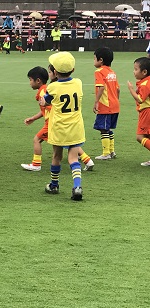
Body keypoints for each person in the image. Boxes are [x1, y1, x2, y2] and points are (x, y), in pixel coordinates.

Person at [22, 66, 94, 172]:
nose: (29, 83)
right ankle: (87, 160)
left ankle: (36, 164)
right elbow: (45, 110)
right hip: (59, 122)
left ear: (38, 81)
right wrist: (33, 118)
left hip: (53, 123)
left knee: (37, 139)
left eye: (30, 80)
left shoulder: (43, 92)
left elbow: (51, 108)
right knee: (70, 143)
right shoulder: (47, 89)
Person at [39, 52, 86, 201]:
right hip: (76, 127)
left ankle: (54, 185)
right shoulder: (78, 83)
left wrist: (42, 101)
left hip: (59, 127)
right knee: (73, 158)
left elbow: (46, 101)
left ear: (54, 72)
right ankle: (77, 186)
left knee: (57, 156)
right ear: (72, 70)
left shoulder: (52, 87)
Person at [92, 47, 120, 160]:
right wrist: (116, 101)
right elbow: (118, 89)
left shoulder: (99, 71)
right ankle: (112, 151)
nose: (93, 61)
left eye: (94, 58)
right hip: (115, 105)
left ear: (101, 60)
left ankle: (106, 153)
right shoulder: (112, 73)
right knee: (108, 128)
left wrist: (96, 102)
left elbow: (101, 88)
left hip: (105, 105)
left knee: (103, 128)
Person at [126, 57, 150, 166]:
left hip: (147, 112)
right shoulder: (146, 81)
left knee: (140, 137)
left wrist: (131, 89)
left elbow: (140, 99)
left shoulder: (145, 84)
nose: (133, 71)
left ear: (144, 72)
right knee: (148, 136)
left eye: (136, 69)